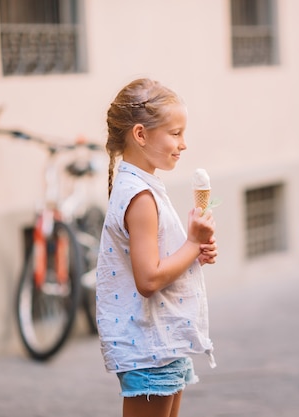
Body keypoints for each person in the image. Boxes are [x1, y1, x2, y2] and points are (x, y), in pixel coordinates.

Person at [95, 78, 218, 417]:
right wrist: (192, 244)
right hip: (149, 346)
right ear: (140, 134)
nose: (183, 144)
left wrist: (194, 254)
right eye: (175, 133)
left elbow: (159, 260)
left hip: (161, 343)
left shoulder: (143, 185)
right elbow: (148, 279)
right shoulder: (140, 197)